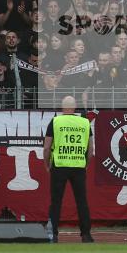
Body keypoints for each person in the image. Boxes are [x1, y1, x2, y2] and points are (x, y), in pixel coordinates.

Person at [42, 95, 93, 243]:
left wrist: (47, 164)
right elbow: (91, 149)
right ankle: (86, 235)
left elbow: (46, 148)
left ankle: (53, 235)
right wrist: (86, 164)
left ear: (63, 107)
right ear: (75, 107)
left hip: (59, 166)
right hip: (78, 166)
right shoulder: (84, 122)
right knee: (82, 201)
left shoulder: (56, 121)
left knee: (56, 201)